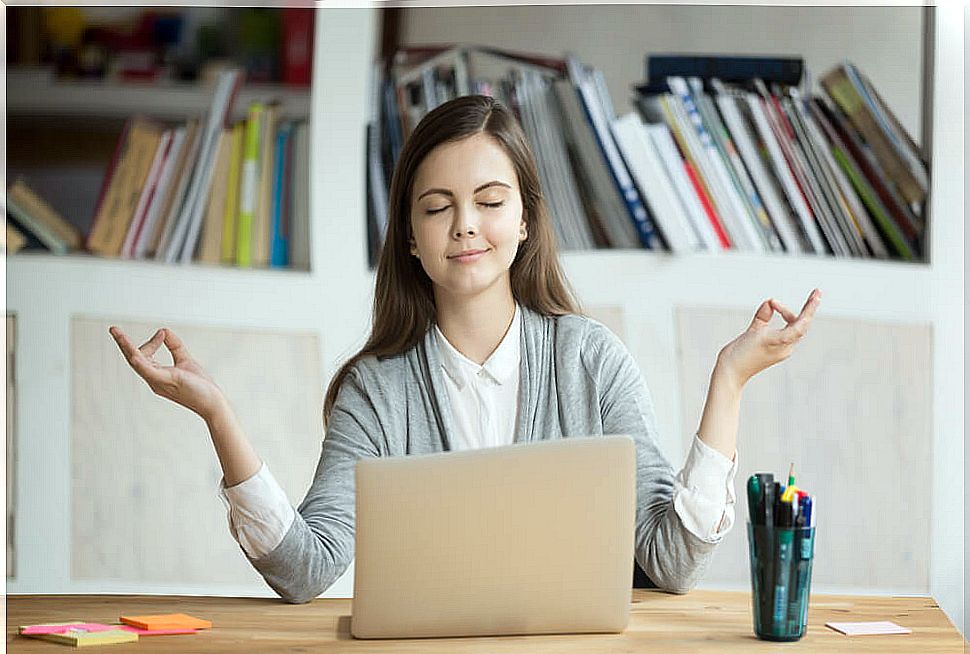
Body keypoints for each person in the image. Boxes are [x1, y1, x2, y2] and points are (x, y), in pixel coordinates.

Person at [109, 94, 820, 604]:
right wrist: (218, 415)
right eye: (437, 205)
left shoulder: (592, 360)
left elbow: (671, 562)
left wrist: (729, 379)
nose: (465, 225)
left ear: (525, 220)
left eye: (489, 200)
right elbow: (305, 570)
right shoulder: (375, 389)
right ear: (412, 239)